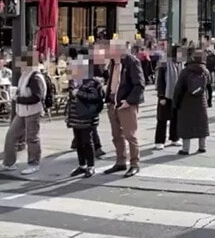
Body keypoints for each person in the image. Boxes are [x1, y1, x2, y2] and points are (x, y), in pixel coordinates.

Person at [0, 51, 46, 174]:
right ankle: (9, 163)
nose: (19, 65)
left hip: (32, 111)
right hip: (22, 111)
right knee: (11, 135)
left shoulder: (35, 77)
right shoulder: (25, 75)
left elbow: (37, 97)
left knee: (32, 138)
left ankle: (34, 163)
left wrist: (18, 99)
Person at [102, 41, 145, 178]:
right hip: (113, 102)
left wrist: (129, 101)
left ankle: (134, 163)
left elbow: (139, 84)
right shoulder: (113, 63)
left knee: (130, 135)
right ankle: (120, 161)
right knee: (116, 135)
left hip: (126, 103)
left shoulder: (132, 62)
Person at [66, 58, 104, 178]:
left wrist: (79, 93)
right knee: (78, 142)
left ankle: (91, 166)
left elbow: (94, 97)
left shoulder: (92, 82)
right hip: (75, 117)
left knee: (87, 142)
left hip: (86, 118)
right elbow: (71, 99)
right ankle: (82, 165)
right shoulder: (73, 82)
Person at [173, 49, 211, 155]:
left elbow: (178, 88)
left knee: (186, 124)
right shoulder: (205, 71)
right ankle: (202, 146)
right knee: (202, 124)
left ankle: (185, 149)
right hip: (201, 101)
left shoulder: (185, 71)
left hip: (186, 102)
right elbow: (209, 85)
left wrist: (176, 102)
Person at [154, 51, 181, 150]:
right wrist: (161, 96)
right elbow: (159, 81)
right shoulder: (164, 65)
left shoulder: (179, 64)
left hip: (176, 95)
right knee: (162, 119)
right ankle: (159, 140)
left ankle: (174, 138)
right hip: (165, 95)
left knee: (175, 118)